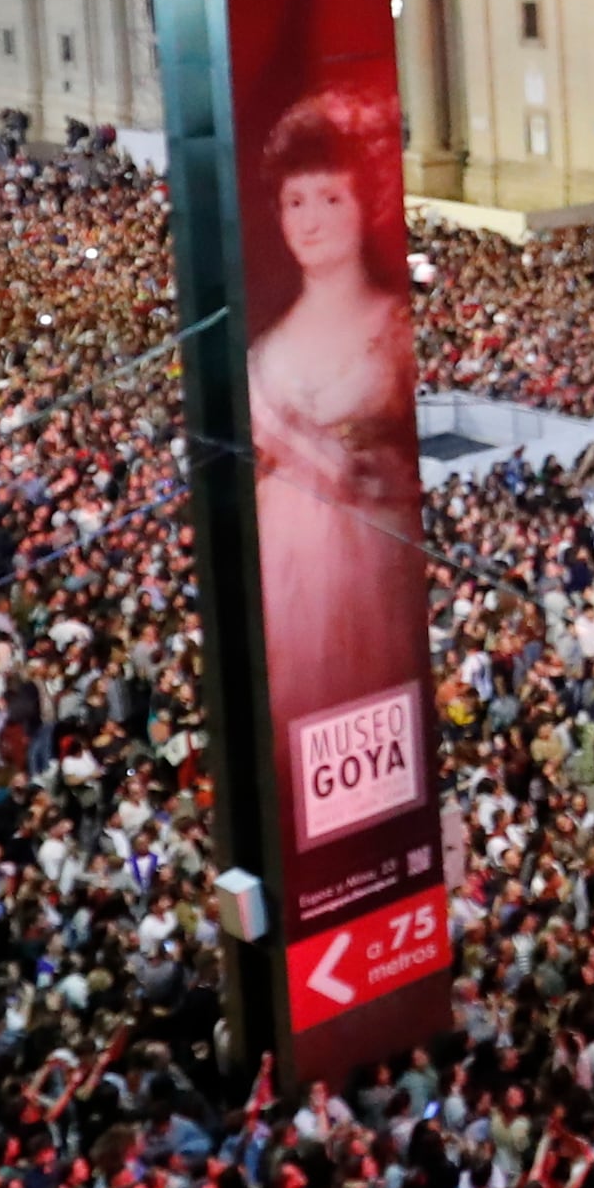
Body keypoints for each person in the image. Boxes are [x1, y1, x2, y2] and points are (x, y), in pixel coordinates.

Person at [248, 77, 428, 715]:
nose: (311, 218)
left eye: (330, 196)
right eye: (295, 201)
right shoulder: (263, 351)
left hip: (374, 567)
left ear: (366, 204)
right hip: (286, 580)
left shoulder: (394, 331)